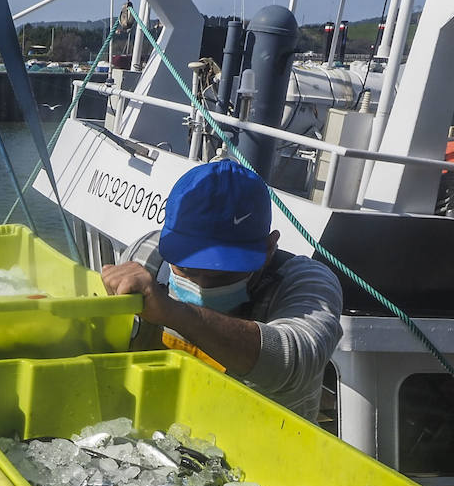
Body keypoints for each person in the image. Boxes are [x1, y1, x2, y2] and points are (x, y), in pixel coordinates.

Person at [100, 159, 343, 421]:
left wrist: (173, 312)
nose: (202, 286)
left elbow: (293, 362)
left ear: (269, 248)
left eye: (223, 275)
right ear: (167, 240)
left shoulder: (307, 282)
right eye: (188, 269)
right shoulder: (147, 256)